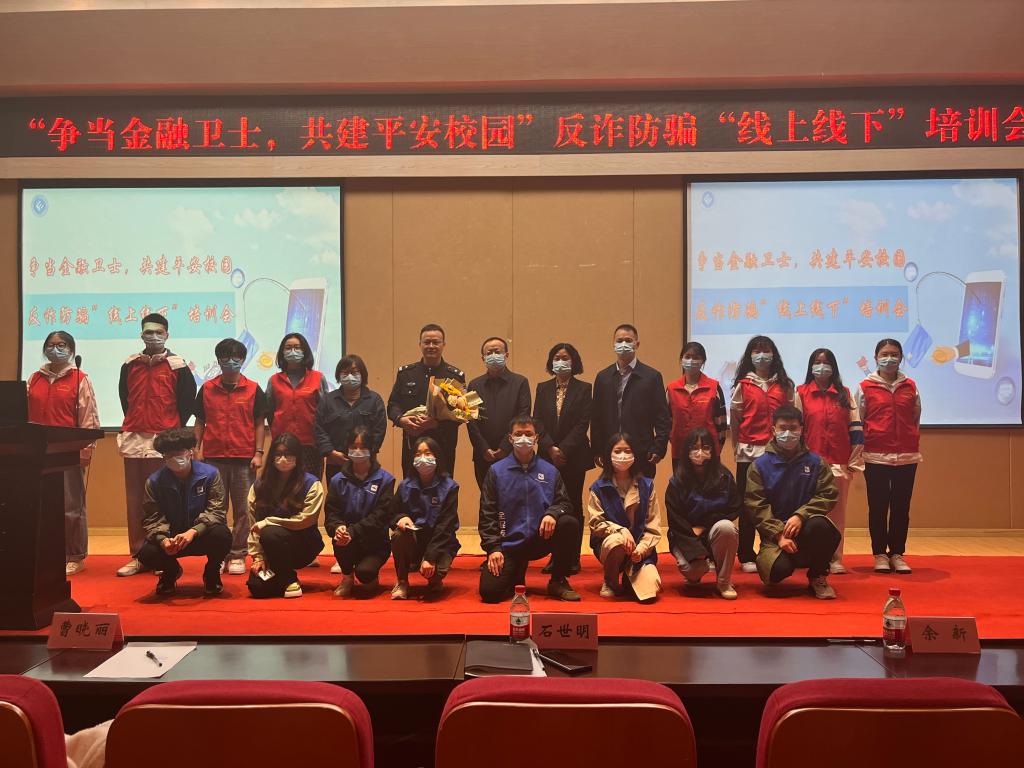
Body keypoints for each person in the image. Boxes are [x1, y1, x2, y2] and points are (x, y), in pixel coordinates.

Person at [116, 313, 197, 577]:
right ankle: (139, 555)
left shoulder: (178, 366)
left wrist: (172, 431)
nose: (153, 336)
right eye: (148, 332)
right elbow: (125, 398)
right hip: (135, 438)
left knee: (165, 497)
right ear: (141, 334)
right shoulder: (129, 364)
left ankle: (166, 555)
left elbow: (186, 402)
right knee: (136, 499)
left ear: (167, 335)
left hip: (165, 439)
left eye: (158, 332)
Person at [478, 416, 581, 603]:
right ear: (510, 438)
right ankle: (517, 570)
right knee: (490, 593)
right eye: (518, 434)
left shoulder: (550, 471)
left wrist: (553, 513)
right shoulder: (496, 471)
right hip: (509, 543)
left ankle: (558, 580)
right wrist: (493, 548)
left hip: (540, 538)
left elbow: (565, 503)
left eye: (528, 434)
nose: (523, 438)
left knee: (569, 523)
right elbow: (487, 514)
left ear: (536, 438)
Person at [746, 405, 840, 600]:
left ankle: (818, 575)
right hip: (775, 538)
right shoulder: (759, 466)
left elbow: (828, 494)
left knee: (822, 526)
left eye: (793, 428)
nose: (788, 433)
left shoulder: (816, 463)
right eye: (783, 428)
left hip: (806, 529)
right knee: (776, 573)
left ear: (801, 429)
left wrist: (801, 515)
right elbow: (756, 505)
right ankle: (788, 559)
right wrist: (779, 534)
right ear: (774, 430)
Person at [26, 330, 100, 575]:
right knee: (39, 504)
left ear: (71, 349)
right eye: (51, 344)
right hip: (38, 452)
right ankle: (45, 553)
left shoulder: (80, 378)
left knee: (70, 506)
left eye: (61, 345)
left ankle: (74, 555)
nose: (55, 349)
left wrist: (86, 451)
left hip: (68, 452)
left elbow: (89, 418)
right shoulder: (35, 378)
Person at [194, 338, 268, 576]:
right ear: (218, 360)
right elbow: (200, 421)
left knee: (243, 510)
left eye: (236, 357)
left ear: (243, 360)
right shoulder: (207, 388)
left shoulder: (253, 388)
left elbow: (259, 423)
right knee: (215, 509)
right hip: (213, 458)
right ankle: (218, 554)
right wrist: (197, 449)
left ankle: (237, 553)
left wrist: (258, 453)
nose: (231, 362)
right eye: (225, 357)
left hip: (243, 458)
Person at [136, 427, 232, 596]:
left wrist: (193, 532)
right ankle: (170, 572)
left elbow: (217, 511)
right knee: (146, 553)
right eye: (169, 454)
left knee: (223, 535)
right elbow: (151, 518)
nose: (174, 457)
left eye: (179, 452)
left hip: (201, 534)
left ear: (190, 451)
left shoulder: (210, 474)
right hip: (171, 538)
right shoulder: (154, 481)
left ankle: (212, 573)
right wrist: (163, 540)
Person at [795, 348, 864, 574]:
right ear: (811, 366)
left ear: (833, 366)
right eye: (817, 361)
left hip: (839, 463)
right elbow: (795, 430)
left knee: (837, 515)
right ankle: (810, 557)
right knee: (810, 513)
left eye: (826, 362)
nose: (821, 366)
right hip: (809, 465)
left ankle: (835, 559)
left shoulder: (845, 394)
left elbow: (856, 429)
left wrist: (853, 463)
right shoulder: (801, 393)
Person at [730, 335, 794, 573]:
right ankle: (746, 554)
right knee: (748, 505)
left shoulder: (785, 384)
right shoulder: (743, 385)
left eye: (766, 350)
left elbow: (792, 418)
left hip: (777, 454)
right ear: (750, 356)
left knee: (775, 504)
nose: (761, 355)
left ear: (773, 354)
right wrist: (737, 446)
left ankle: (772, 549)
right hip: (748, 452)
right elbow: (736, 420)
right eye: (756, 351)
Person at [857, 338, 922, 574]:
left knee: (901, 507)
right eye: (884, 354)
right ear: (876, 358)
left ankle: (897, 553)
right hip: (875, 455)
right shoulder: (865, 386)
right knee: (878, 507)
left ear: (901, 358)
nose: (889, 358)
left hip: (907, 456)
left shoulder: (911, 386)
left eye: (894, 354)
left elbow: (915, 417)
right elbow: (860, 420)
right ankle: (879, 554)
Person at [533, 342, 592, 575]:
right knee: (550, 506)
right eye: (556, 357)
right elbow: (537, 421)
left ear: (574, 361)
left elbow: (582, 424)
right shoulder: (542, 388)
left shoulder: (584, 388)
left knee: (573, 506)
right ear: (551, 362)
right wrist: (550, 448)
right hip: (547, 457)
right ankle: (555, 557)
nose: (561, 361)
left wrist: (562, 450)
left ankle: (573, 558)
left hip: (573, 457)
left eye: (565, 357)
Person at [246, 432, 325, 598]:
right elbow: (253, 524)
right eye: (278, 454)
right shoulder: (259, 485)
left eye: (288, 454)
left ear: (297, 456)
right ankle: (280, 575)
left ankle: (289, 579)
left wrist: (269, 521)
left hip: (303, 544)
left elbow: (306, 520)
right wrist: (258, 557)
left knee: (269, 532)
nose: (283, 459)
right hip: (270, 546)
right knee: (257, 588)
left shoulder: (312, 484)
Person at [665, 427, 741, 599]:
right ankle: (699, 566)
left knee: (727, 528)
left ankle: (724, 582)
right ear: (687, 451)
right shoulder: (677, 481)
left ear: (713, 450)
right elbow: (675, 519)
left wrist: (705, 527)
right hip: (686, 534)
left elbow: (734, 507)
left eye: (705, 447)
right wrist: (694, 542)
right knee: (693, 572)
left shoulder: (724, 477)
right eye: (694, 448)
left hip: (713, 531)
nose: (700, 452)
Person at [587, 433, 662, 603]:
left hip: (639, 549)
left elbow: (653, 525)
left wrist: (641, 549)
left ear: (634, 454)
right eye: (617, 451)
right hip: (612, 545)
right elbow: (596, 523)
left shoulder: (647, 485)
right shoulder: (598, 487)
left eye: (627, 451)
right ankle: (610, 580)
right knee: (617, 541)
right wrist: (620, 531)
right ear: (609, 455)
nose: (622, 455)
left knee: (649, 593)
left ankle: (630, 577)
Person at [591, 324, 671, 478]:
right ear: (613, 344)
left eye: (628, 340)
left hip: (643, 452)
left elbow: (662, 417)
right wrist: (597, 449)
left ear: (637, 344)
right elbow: (596, 418)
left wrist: (659, 448)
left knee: (641, 492)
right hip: (611, 451)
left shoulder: (652, 377)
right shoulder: (603, 377)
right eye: (619, 340)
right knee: (612, 491)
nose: (623, 344)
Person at [387, 324, 465, 478]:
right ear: (420, 344)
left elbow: (462, 413)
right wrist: (401, 420)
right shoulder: (406, 374)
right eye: (427, 342)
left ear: (443, 345)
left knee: (444, 487)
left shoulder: (455, 376)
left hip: (443, 444)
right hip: (412, 444)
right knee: (411, 486)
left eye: (436, 342)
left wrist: (436, 423)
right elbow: (393, 405)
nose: (431, 346)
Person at [324, 426, 395, 597]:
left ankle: (369, 574)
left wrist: (353, 531)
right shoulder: (337, 480)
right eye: (353, 447)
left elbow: (380, 517)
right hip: (347, 541)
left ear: (371, 449)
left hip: (375, 543)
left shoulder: (385, 480)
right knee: (340, 539)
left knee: (365, 576)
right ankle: (347, 577)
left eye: (362, 447)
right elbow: (332, 513)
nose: (357, 451)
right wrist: (338, 527)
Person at [390, 437, 461, 599]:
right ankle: (402, 581)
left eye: (428, 453)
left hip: (440, 541)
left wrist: (430, 557)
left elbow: (445, 526)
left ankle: (435, 580)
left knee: (435, 573)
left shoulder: (450, 487)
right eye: (418, 454)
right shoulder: (404, 485)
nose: (422, 458)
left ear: (437, 457)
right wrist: (401, 517)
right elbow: (392, 513)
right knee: (399, 534)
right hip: (414, 539)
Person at [467, 336, 531, 490]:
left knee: (513, 496)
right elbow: (471, 420)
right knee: (486, 499)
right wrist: (483, 448)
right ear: (483, 358)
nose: (493, 355)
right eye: (489, 353)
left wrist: (505, 447)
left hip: (513, 452)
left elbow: (523, 416)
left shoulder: (520, 382)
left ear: (506, 355)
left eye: (497, 351)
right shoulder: (474, 385)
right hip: (483, 456)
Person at [315, 354, 387, 484]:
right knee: (337, 496)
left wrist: (366, 454)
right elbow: (319, 429)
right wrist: (331, 452)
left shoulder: (374, 400)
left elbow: (379, 430)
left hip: (366, 462)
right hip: (335, 463)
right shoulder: (327, 400)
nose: (349, 376)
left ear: (362, 375)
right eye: (345, 372)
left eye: (354, 372)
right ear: (338, 375)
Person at [265, 333, 329, 476]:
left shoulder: (318, 378)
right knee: (282, 485)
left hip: (311, 444)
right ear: (282, 352)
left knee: (310, 484)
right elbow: (269, 411)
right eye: (288, 348)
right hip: (282, 445)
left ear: (305, 351)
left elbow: (325, 411)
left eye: (297, 347)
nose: (292, 351)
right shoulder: (274, 380)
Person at [667, 341, 727, 470]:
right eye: (687, 356)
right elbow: (667, 421)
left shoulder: (714, 387)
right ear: (681, 359)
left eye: (696, 357)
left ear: (703, 361)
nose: (691, 360)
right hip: (680, 451)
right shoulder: (671, 389)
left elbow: (721, 423)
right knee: (681, 483)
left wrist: (716, 449)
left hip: (707, 452)